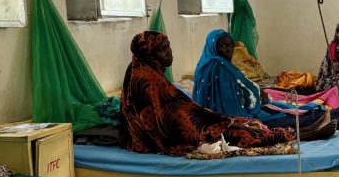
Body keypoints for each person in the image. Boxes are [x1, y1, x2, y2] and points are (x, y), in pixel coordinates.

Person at [120, 31, 292, 156]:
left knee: (243, 126)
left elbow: (179, 109)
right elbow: (171, 118)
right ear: (149, 53)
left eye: (169, 46)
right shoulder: (148, 80)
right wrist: (222, 124)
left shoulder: (142, 71)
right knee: (243, 134)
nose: (170, 52)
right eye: (163, 49)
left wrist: (222, 121)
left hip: (167, 132)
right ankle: (298, 133)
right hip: (163, 138)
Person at [193, 29, 329, 130]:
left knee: (293, 112)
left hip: (239, 112)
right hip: (234, 119)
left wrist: (258, 93)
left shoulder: (208, 65)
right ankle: (319, 121)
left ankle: (320, 119)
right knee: (295, 118)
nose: (228, 50)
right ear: (212, 47)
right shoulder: (219, 67)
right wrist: (256, 99)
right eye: (222, 46)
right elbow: (230, 101)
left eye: (230, 45)